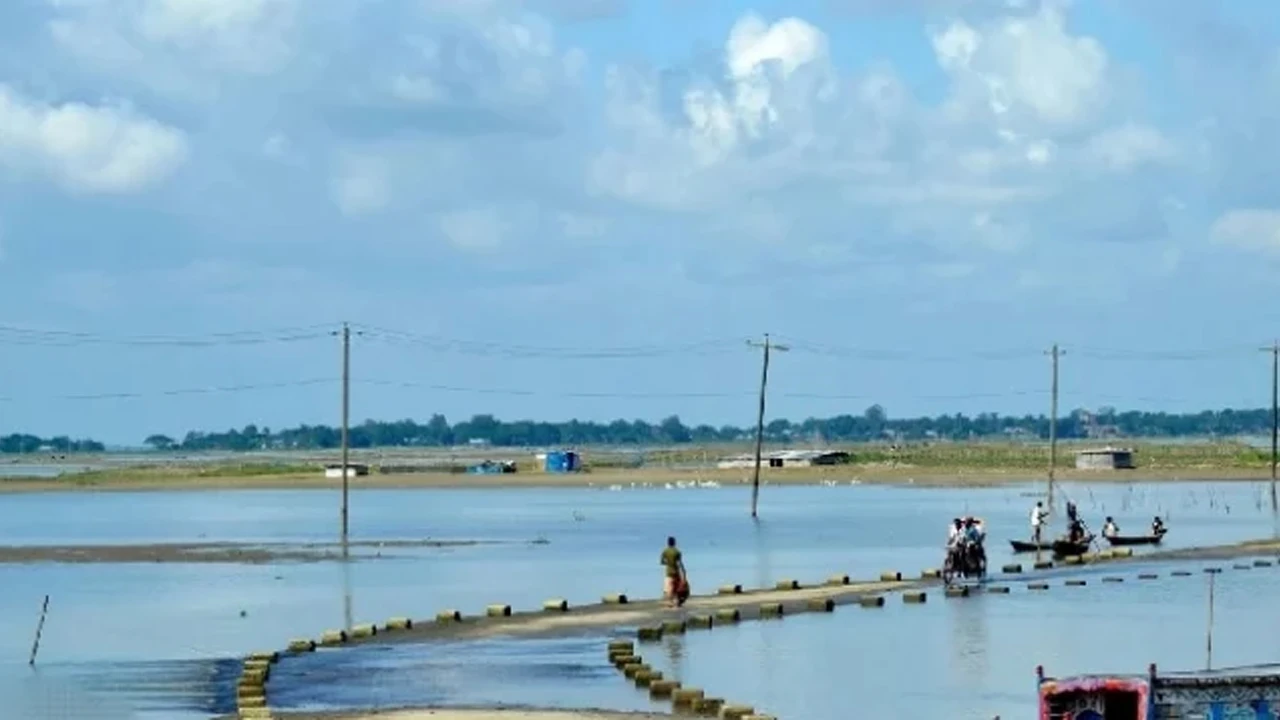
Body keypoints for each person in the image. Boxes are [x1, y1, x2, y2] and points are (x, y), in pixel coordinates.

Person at [660, 536, 687, 609]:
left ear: (667, 543)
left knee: (669, 588)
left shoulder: (665, 551)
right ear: (674, 543)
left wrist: (668, 563)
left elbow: (662, 562)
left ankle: (670, 603)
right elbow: (679, 563)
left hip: (668, 572)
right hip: (676, 572)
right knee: (677, 588)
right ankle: (677, 602)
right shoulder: (677, 552)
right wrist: (684, 572)